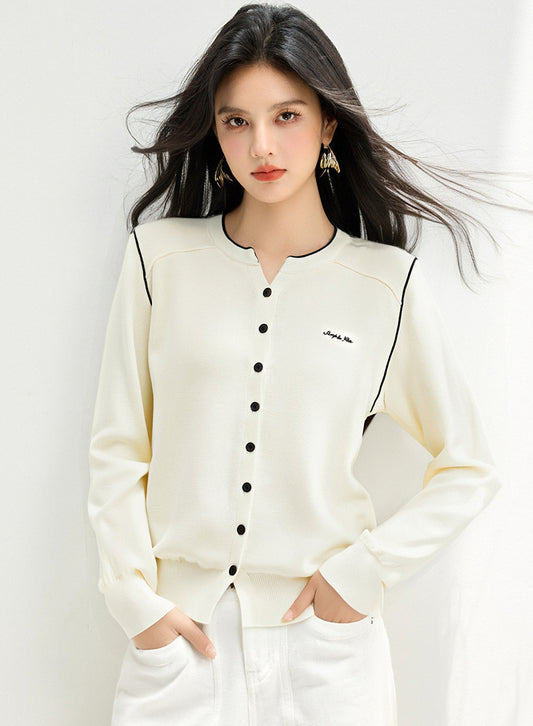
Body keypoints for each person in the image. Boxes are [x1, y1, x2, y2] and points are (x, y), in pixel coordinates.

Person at [87, 3, 504, 725]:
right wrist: (135, 604)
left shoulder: (385, 284)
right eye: (236, 121)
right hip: (179, 645)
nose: (261, 146)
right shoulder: (160, 259)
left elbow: (469, 466)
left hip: (324, 654)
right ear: (215, 131)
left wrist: (363, 574)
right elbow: (119, 447)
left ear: (328, 123)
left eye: (286, 116)